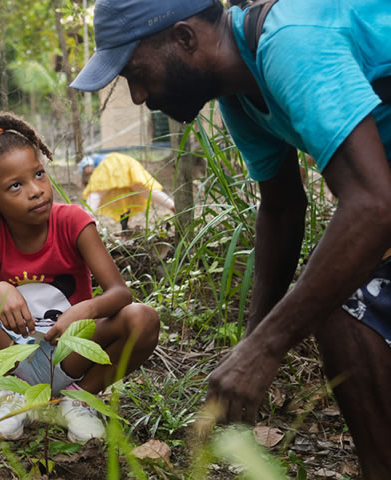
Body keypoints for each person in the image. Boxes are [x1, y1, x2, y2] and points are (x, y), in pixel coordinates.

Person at [71, 0, 391, 476]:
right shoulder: (238, 92)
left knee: (341, 294)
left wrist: (266, 350)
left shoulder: (291, 44)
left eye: (137, 72)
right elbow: (282, 209)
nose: (138, 95)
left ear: (184, 38)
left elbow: (372, 204)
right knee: (338, 301)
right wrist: (251, 346)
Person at [0, 113, 160, 442]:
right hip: (9, 355)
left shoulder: (73, 221)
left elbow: (120, 293)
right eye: (16, 186)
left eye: (39, 175)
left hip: (71, 351)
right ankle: (8, 397)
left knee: (143, 318)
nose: (36, 191)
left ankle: (75, 399)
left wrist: (84, 311)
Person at [79, 152, 175, 230]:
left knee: (96, 191)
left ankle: (85, 218)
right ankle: (171, 204)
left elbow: (97, 191)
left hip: (114, 163)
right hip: (126, 162)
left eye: (84, 170)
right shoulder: (99, 164)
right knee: (144, 190)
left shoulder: (98, 163)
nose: (86, 172)